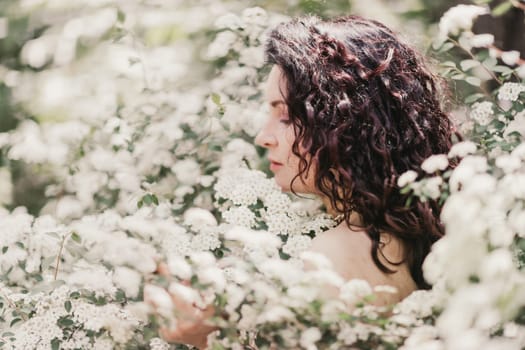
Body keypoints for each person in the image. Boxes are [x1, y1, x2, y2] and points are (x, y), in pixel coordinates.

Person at [156, 14, 456, 348]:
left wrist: (205, 337)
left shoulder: (329, 257)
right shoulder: (418, 230)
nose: (263, 137)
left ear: (345, 121)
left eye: (284, 115)